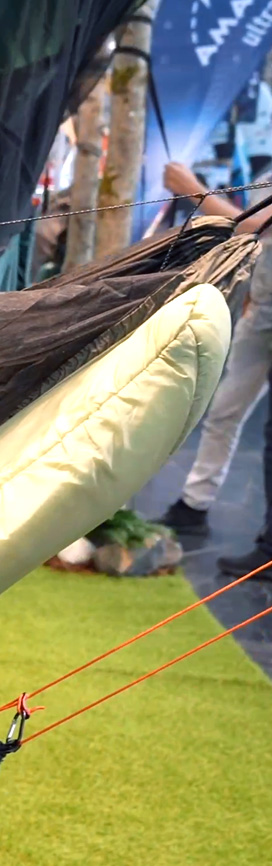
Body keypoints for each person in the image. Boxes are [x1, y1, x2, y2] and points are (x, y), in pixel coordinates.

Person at [153, 162, 272, 581]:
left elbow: (252, 226)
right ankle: (194, 504)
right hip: (262, 312)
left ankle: (269, 548)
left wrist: (192, 189)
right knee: (223, 410)